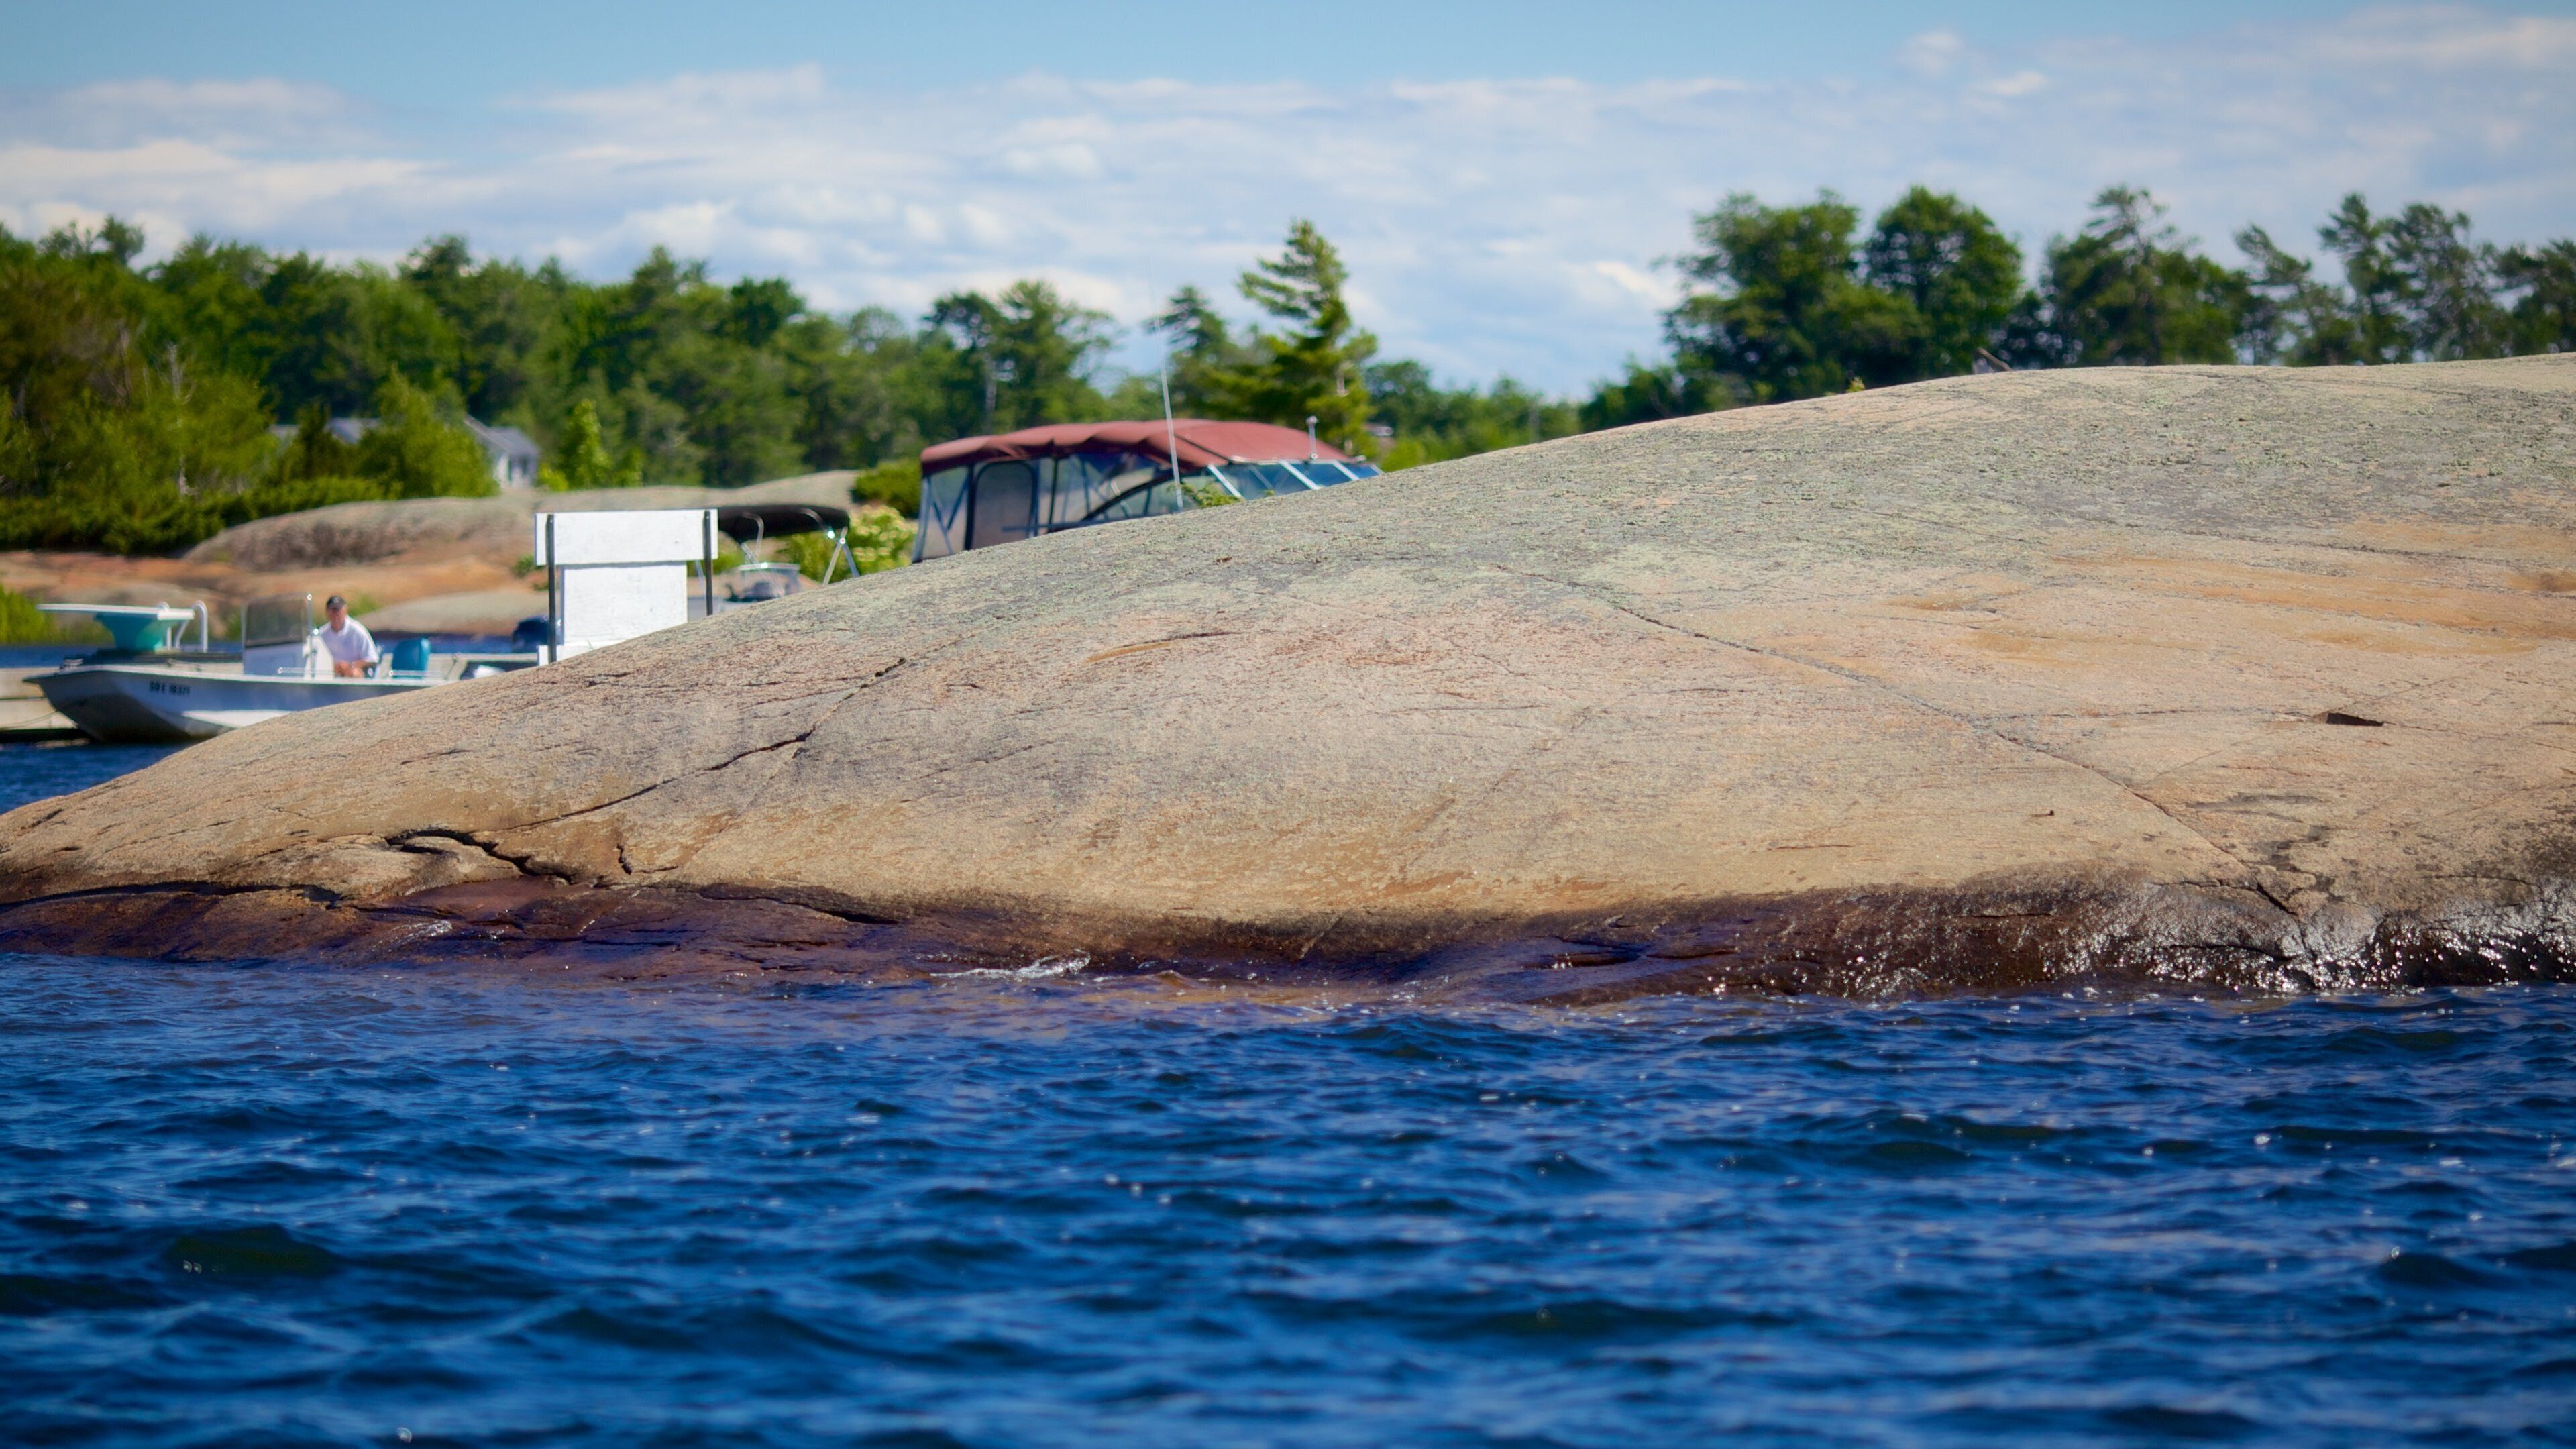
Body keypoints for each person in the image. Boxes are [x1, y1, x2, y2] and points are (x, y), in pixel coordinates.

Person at [316, 595, 378, 678]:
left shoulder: (358, 631)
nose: (336, 614)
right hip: (330, 676)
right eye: (333, 610)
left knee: (354, 674)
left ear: (345, 610)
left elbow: (372, 660)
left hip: (354, 676)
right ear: (327, 612)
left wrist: (350, 666)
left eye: (339, 610)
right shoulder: (322, 634)